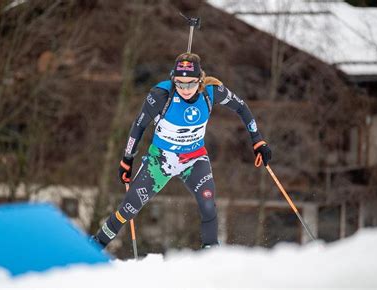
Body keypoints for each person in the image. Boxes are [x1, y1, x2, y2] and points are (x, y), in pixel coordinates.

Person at [93, 52, 271, 249]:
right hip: (160, 161)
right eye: (180, 83)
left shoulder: (212, 91)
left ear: (200, 80)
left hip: (194, 159)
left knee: (208, 204)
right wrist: (127, 159)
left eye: (191, 83)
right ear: (173, 79)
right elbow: (139, 126)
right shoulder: (161, 96)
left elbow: (242, 108)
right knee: (128, 207)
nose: (185, 89)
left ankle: (211, 254)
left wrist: (257, 141)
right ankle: (96, 244)